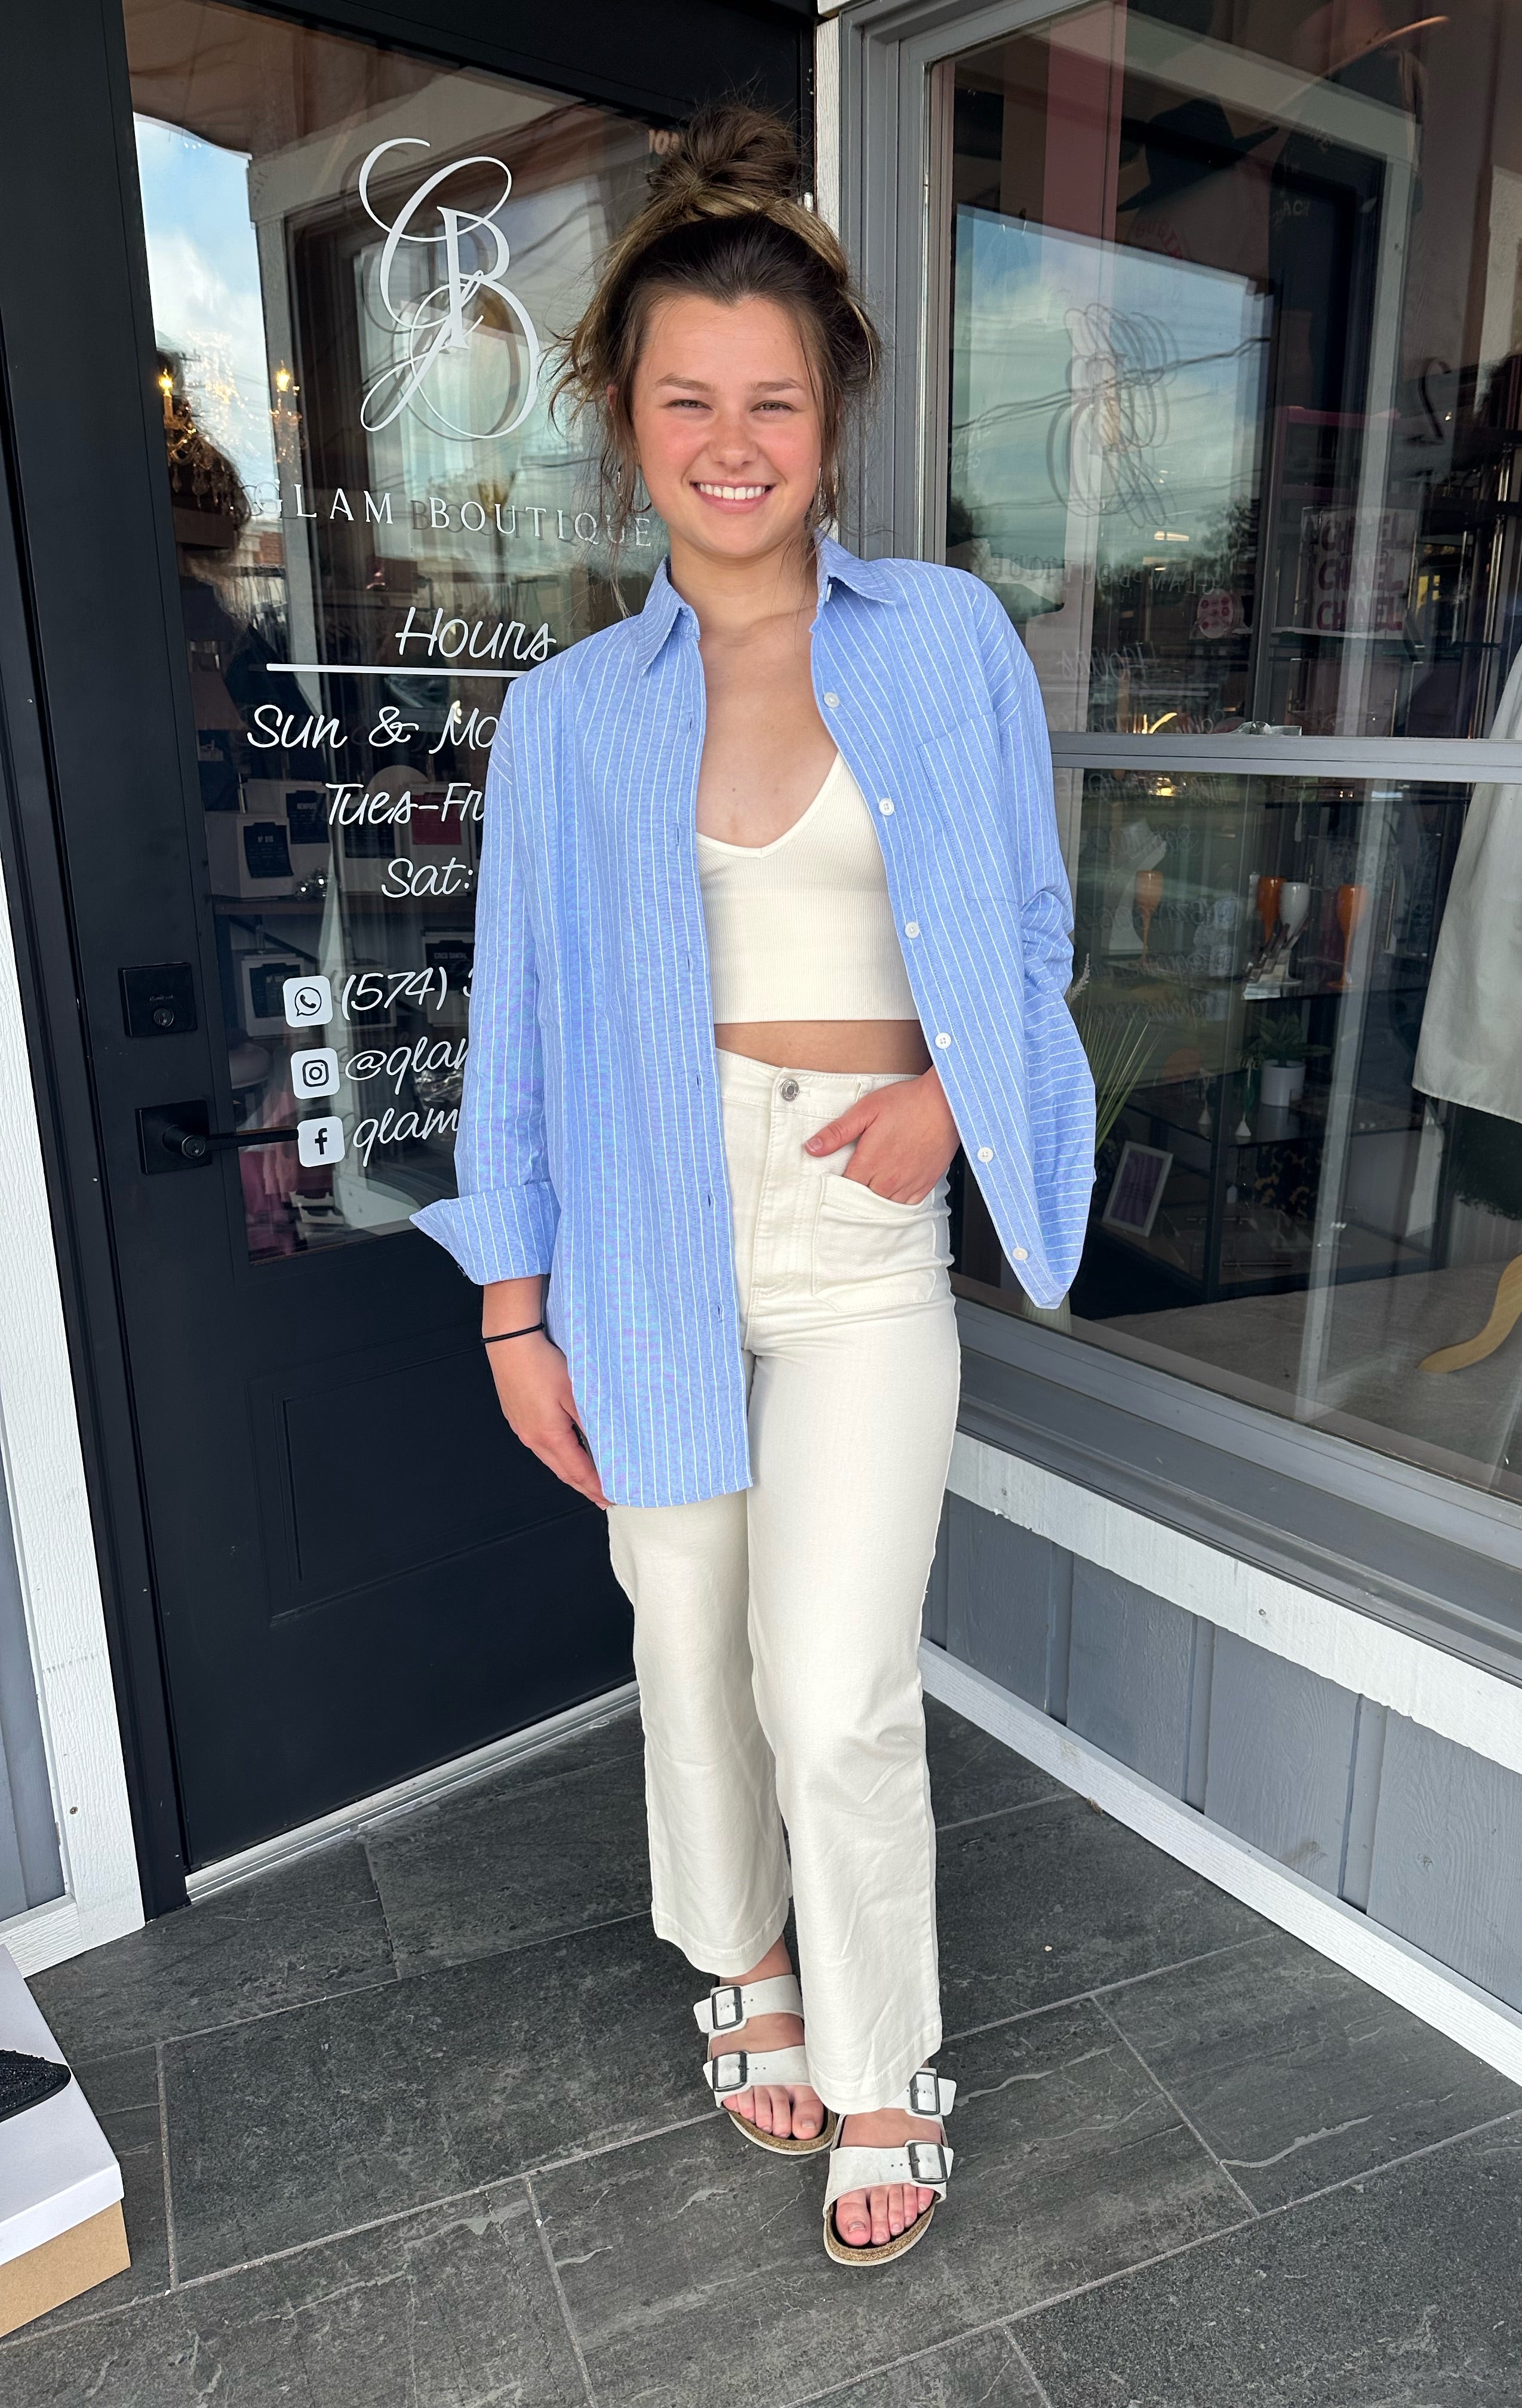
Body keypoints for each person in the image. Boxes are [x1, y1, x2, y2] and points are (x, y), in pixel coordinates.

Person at [414, 102, 1093, 2268]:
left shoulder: (949, 642)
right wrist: (512, 1309)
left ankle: (888, 2063)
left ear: (834, 415)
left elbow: (1031, 942)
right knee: (690, 1646)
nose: (734, 444)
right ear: (627, 418)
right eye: (689, 399)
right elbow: (520, 1029)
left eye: (772, 401)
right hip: (645, 1230)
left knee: (837, 1680)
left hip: (861, 1225)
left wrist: (954, 1107)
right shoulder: (569, 718)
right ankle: (745, 1959)